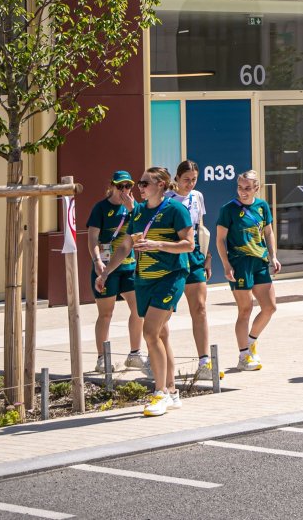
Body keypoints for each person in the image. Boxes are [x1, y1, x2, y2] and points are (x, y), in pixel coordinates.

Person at [97, 166, 194, 417]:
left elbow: (189, 245)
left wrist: (157, 244)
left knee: (149, 332)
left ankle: (159, 393)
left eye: (144, 183)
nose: (139, 188)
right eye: (139, 184)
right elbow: (125, 247)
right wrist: (106, 272)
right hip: (143, 280)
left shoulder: (176, 210)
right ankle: (172, 391)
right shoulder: (138, 213)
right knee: (161, 335)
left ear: (161, 185)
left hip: (170, 277)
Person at [215, 171, 280, 372]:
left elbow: (268, 232)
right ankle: (243, 355)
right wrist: (226, 264)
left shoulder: (262, 207)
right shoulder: (228, 210)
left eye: (247, 188)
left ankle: (251, 341)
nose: (243, 192)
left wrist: (273, 256)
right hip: (239, 263)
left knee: (270, 307)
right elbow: (219, 239)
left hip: (259, 262)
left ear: (256, 188)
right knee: (245, 310)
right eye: (240, 187)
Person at [85, 170, 147, 373]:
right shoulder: (100, 208)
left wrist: (133, 209)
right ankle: (102, 358)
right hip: (106, 268)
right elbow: (92, 238)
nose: (124, 190)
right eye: (120, 186)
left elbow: (144, 230)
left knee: (138, 309)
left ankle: (135, 353)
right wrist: (96, 262)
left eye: (128, 186)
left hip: (129, 267)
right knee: (106, 313)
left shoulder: (135, 208)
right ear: (112, 186)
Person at [173, 161, 217, 384]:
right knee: (163, 313)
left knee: (199, 308)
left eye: (194, 180)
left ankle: (204, 361)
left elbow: (201, 227)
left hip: (195, 256)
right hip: (172, 257)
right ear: (177, 179)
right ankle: (159, 360)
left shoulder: (197, 196)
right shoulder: (168, 199)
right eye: (186, 179)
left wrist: (207, 257)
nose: (190, 184)